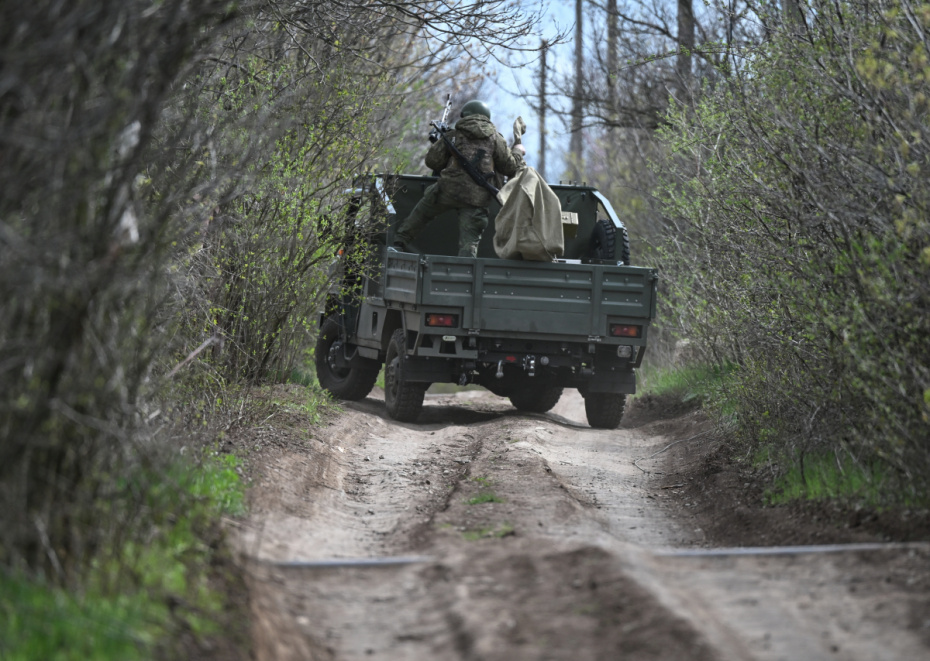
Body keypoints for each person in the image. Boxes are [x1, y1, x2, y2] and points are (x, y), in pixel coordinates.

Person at [393, 100, 526, 258]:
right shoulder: (496, 139)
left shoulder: (454, 135)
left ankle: (398, 244)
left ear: (465, 115)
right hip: (476, 199)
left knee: (420, 214)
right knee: (469, 244)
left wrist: (438, 142)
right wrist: (517, 151)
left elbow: (432, 162)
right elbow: (510, 168)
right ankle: (465, 274)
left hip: (447, 191)